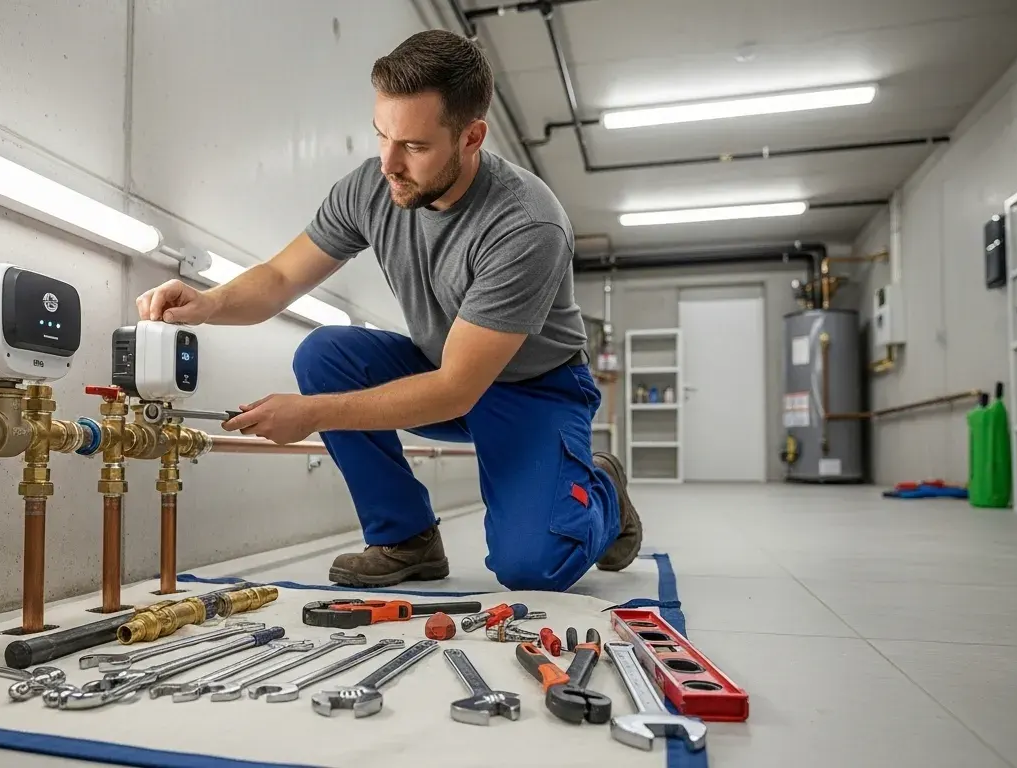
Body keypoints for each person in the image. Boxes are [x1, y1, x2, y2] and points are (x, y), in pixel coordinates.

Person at [135, 29, 641, 592]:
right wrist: (208, 303)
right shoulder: (373, 188)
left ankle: (601, 490)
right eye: (382, 136)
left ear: (472, 137)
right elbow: (279, 278)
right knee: (327, 354)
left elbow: (455, 390)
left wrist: (313, 414)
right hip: (444, 368)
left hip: (534, 389)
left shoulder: (526, 225)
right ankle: (406, 538)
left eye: (416, 147)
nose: (389, 163)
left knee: (532, 567)